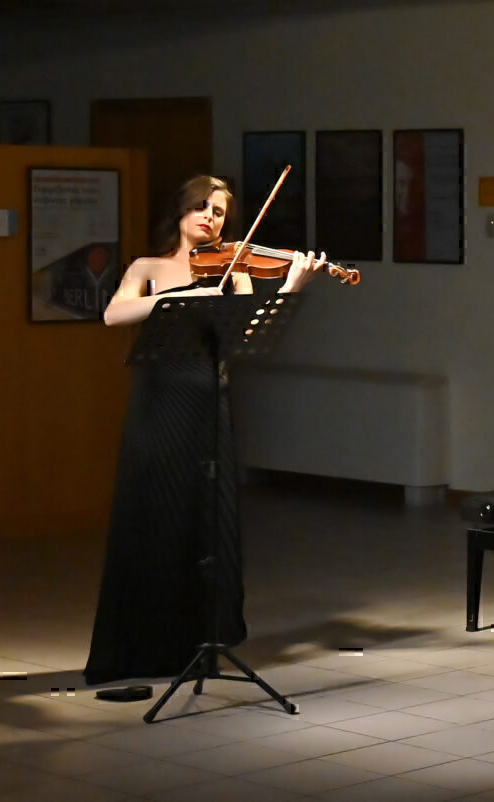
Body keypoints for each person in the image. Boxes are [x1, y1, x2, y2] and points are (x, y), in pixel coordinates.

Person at [84, 176, 325, 686]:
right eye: (201, 206)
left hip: (208, 402)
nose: (210, 217)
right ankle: (138, 648)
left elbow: (249, 337)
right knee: (152, 516)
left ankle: (198, 644)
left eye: (219, 212)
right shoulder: (148, 268)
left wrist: (290, 287)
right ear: (180, 211)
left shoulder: (235, 270)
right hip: (158, 403)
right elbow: (113, 314)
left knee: (204, 522)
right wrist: (182, 297)